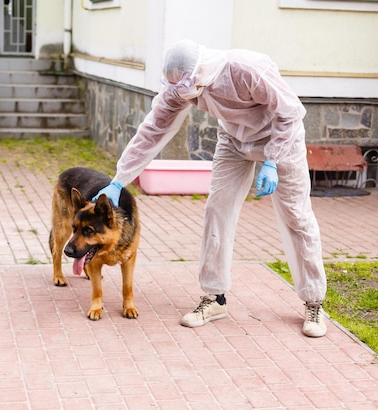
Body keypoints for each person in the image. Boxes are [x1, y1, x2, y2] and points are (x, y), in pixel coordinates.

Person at [94, 39, 327, 337]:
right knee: (217, 211)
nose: (181, 92)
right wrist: (119, 178)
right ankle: (215, 298)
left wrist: (272, 160)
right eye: (174, 85)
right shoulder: (180, 86)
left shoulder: (245, 70)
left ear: (200, 72)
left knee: (297, 215)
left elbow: (290, 112)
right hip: (233, 141)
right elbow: (152, 130)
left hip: (280, 137)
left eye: (184, 84)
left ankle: (314, 301)